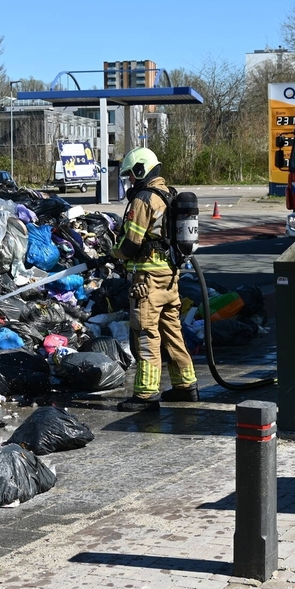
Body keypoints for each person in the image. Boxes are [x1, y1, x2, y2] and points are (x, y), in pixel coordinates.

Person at [110, 147, 198, 411]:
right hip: (170, 277)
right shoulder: (168, 194)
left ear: (141, 170)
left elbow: (131, 243)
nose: (130, 182)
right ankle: (186, 386)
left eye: (131, 176)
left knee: (146, 333)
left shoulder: (144, 199)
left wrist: (114, 253)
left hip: (147, 279)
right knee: (172, 332)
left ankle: (146, 395)